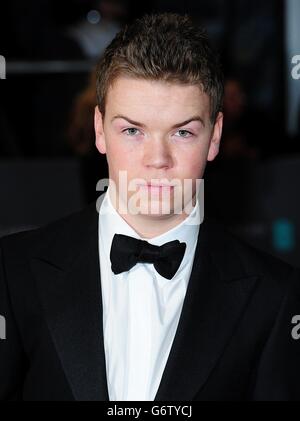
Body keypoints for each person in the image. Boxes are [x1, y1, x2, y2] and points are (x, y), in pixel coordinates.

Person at [0, 13, 300, 401]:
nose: (157, 159)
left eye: (182, 132)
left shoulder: (275, 298)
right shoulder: (12, 272)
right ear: (98, 129)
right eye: (132, 130)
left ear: (215, 137)